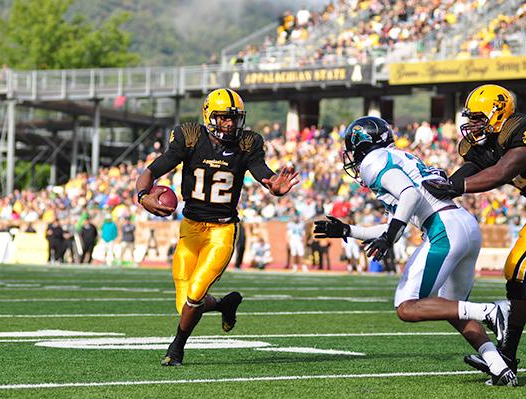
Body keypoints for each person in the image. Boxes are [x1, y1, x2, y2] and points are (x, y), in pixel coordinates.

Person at [314, 116, 517, 386]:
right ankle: (500, 367)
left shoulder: (373, 161)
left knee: (407, 307)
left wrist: (390, 237)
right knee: (453, 309)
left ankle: (492, 312)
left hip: (443, 229)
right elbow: (398, 217)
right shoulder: (400, 158)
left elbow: (409, 196)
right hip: (462, 224)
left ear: (361, 143)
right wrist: (348, 231)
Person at [135, 88, 299, 366]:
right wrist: (142, 195)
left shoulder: (247, 144)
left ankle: (176, 348)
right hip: (190, 228)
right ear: (210, 116)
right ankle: (224, 303)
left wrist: (274, 184)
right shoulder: (190, 138)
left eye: (234, 118)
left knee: (195, 293)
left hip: (222, 230)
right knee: (185, 302)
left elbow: (263, 173)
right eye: (224, 118)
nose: (230, 124)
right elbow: (152, 171)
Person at [423, 84, 526, 381]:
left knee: (520, 267)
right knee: (517, 277)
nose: (473, 124)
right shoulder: (488, 143)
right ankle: (506, 356)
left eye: (479, 117)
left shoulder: (519, 132)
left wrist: (456, 188)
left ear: (498, 112)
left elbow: (503, 172)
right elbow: (468, 170)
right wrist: (436, 200)